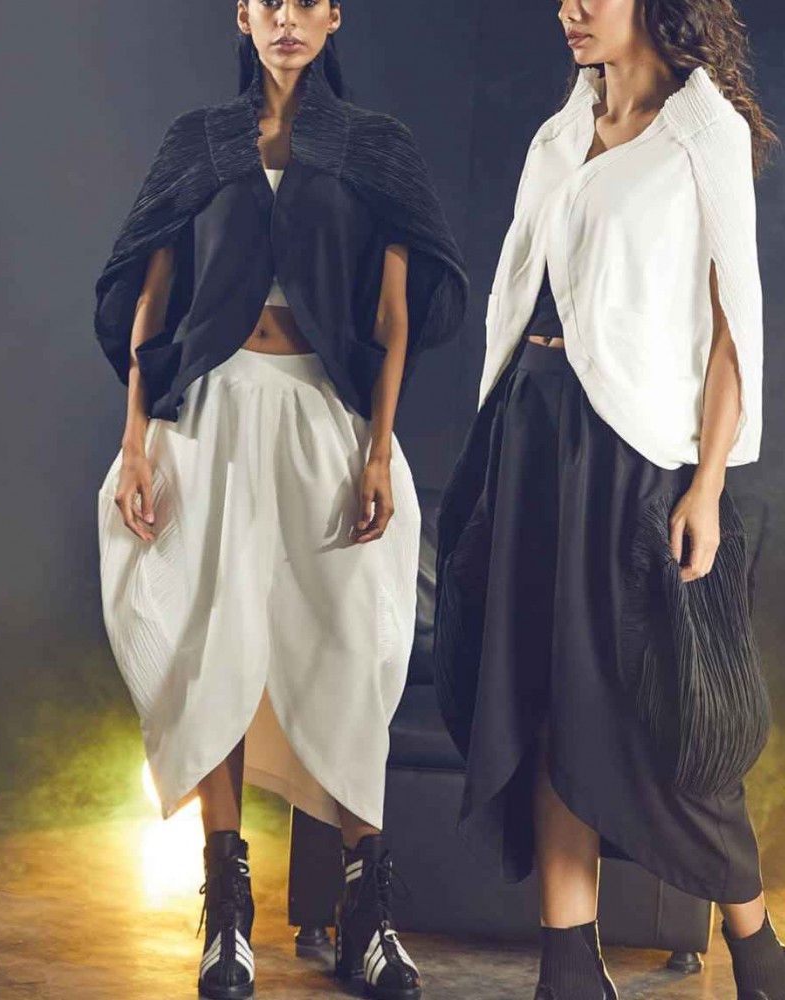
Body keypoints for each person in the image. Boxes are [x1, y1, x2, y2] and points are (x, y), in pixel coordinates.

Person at [433, 2, 785, 999]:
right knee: (544, 696)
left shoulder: (703, 133)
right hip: (530, 433)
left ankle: (758, 950)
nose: (568, 8)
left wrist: (708, 485)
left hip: (631, 454)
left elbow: (735, 325)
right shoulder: (560, 132)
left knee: (656, 709)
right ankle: (568, 965)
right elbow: (523, 290)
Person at [94, 2, 467, 998]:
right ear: (243, 15)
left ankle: (368, 912)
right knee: (213, 638)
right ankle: (228, 913)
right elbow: (151, 298)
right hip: (212, 413)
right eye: (270, 3)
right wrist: (134, 440)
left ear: (334, 17)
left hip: (323, 411)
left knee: (349, 645)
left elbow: (394, 317)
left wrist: (378, 449)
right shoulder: (200, 141)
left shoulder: (373, 147)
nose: (287, 19)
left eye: (307, 3)